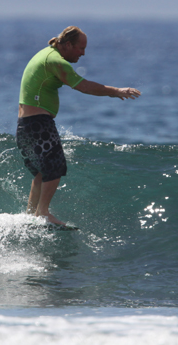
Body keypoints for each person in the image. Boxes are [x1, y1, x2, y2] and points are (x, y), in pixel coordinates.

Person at [16, 26, 141, 226]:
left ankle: (31, 215)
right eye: (80, 48)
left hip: (25, 125)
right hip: (38, 123)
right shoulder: (56, 61)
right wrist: (116, 91)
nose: (83, 53)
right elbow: (84, 86)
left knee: (42, 171)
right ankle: (42, 213)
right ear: (67, 45)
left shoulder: (46, 53)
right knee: (55, 167)